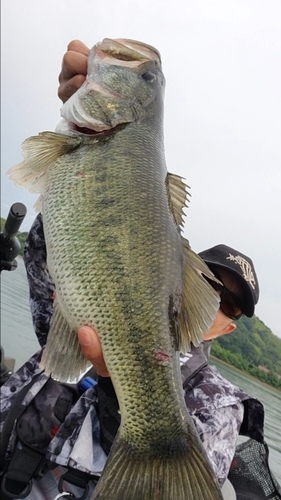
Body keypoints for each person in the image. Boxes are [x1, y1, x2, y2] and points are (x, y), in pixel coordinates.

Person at [1, 42, 279, 500]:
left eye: (229, 302)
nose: (215, 302)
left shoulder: (220, 407)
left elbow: (192, 478)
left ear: (228, 326)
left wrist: (117, 390)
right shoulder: (89, 308)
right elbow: (49, 268)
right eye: (210, 281)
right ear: (182, 279)